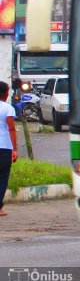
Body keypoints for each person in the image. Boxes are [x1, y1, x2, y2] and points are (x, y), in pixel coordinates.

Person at [0, 80, 17, 216]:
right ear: (5, 94)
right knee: (3, 177)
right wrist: (15, 149)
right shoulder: (8, 108)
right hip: (5, 147)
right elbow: (11, 128)